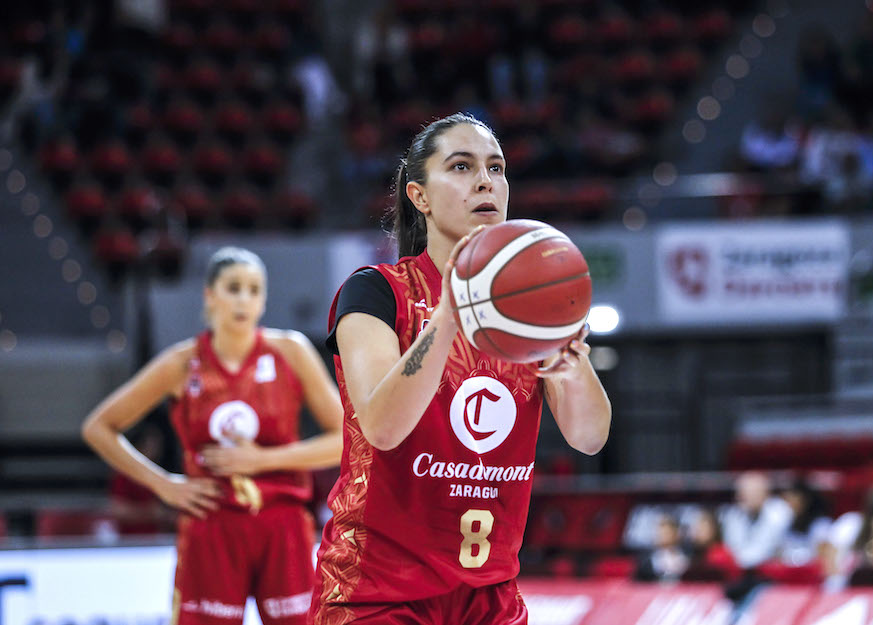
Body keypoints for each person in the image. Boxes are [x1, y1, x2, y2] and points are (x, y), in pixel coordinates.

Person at [309, 113, 612, 624]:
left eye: (496, 168)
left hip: (489, 597)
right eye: (461, 166)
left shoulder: (530, 312)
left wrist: (570, 359)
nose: (485, 181)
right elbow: (382, 427)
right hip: (376, 593)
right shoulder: (377, 292)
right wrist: (451, 313)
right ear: (419, 196)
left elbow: (589, 437)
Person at [82, 246, 344, 625]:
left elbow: (344, 438)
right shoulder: (182, 363)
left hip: (282, 523)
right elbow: (98, 428)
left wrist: (263, 460)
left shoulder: (291, 352)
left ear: (263, 301)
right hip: (211, 524)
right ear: (209, 295)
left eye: (254, 290)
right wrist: (164, 484)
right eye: (233, 288)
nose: (244, 299)